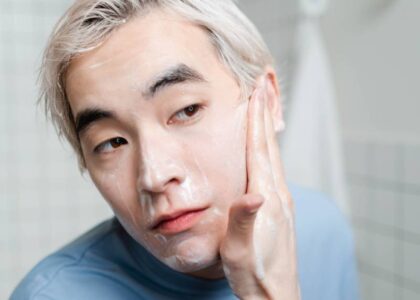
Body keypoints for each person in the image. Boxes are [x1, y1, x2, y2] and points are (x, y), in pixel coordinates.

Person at [11, 0, 359, 299]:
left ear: (267, 102)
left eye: (186, 110)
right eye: (112, 142)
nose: (155, 176)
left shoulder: (323, 230)